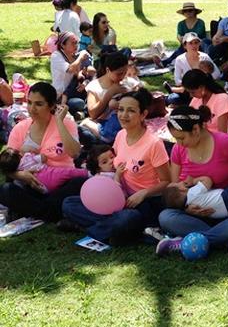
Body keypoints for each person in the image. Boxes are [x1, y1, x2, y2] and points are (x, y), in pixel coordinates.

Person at [61, 89, 170, 244]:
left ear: (143, 115)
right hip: (117, 197)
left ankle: (94, 228)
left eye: (131, 111)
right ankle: (113, 231)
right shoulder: (120, 135)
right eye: (121, 109)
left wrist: (143, 193)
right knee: (69, 203)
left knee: (128, 218)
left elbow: (167, 181)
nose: (123, 115)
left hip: (140, 204)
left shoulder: (154, 143)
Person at [156, 105, 228, 255]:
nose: (179, 143)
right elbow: (175, 187)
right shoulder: (178, 150)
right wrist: (187, 209)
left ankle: (186, 242)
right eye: (176, 139)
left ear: (195, 129)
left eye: (182, 138)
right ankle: (227, 238)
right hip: (196, 218)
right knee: (166, 216)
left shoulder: (225, 143)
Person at [0, 82, 85, 221]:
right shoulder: (20, 128)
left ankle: (35, 210)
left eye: (39, 104)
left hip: (61, 184)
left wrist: (59, 122)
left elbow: (74, 153)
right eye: (29, 103)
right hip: (31, 185)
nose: (32, 109)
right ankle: (51, 212)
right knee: (5, 190)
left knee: (80, 181)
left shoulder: (67, 123)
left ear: (52, 106)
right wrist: (22, 175)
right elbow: (7, 165)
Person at [78, 51, 128, 144]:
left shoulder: (125, 84)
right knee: (86, 134)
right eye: (119, 74)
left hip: (124, 124)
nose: (122, 77)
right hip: (104, 127)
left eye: (125, 73)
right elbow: (93, 114)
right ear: (108, 70)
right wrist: (109, 93)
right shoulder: (95, 86)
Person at [0, 147, 88, 194]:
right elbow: (43, 158)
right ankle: (87, 173)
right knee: (68, 172)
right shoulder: (27, 157)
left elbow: (20, 185)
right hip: (47, 174)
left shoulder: (18, 176)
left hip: (41, 188)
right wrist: (36, 153)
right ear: (19, 155)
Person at [167, 32, 218, 106]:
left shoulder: (205, 57)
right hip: (188, 90)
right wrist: (188, 86)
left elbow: (216, 74)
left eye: (196, 42)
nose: (194, 45)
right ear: (185, 45)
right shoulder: (180, 59)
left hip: (203, 89)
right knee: (173, 99)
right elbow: (177, 80)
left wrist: (205, 78)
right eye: (190, 43)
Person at [162, 176, 228, 220]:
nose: (181, 181)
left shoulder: (189, 207)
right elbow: (208, 181)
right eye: (178, 183)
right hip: (227, 198)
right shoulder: (192, 193)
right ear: (181, 190)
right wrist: (194, 181)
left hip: (224, 214)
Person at [50, 31, 90, 116]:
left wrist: (84, 83)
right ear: (63, 45)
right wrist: (80, 58)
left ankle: (81, 112)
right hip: (61, 96)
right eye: (73, 43)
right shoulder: (56, 56)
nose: (76, 46)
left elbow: (79, 75)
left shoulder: (73, 56)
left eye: (76, 43)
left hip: (73, 92)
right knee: (79, 103)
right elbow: (70, 69)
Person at [184, 69, 228, 133]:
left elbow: (223, 134)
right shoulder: (196, 100)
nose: (191, 95)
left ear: (202, 87)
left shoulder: (222, 99)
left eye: (193, 92)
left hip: (216, 141)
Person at [161, 2, 208, 67]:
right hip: (186, 44)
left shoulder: (200, 22)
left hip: (199, 45)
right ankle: (166, 62)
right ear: (183, 13)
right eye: (185, 11)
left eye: (190, 10)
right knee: (184, 47)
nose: (188, 12)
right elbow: (179, 35)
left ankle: (166, 62)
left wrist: (185, 39)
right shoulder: (181, 24)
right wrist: (180, 38)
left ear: (195, 12)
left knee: (186, 46)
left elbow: (197, 35)